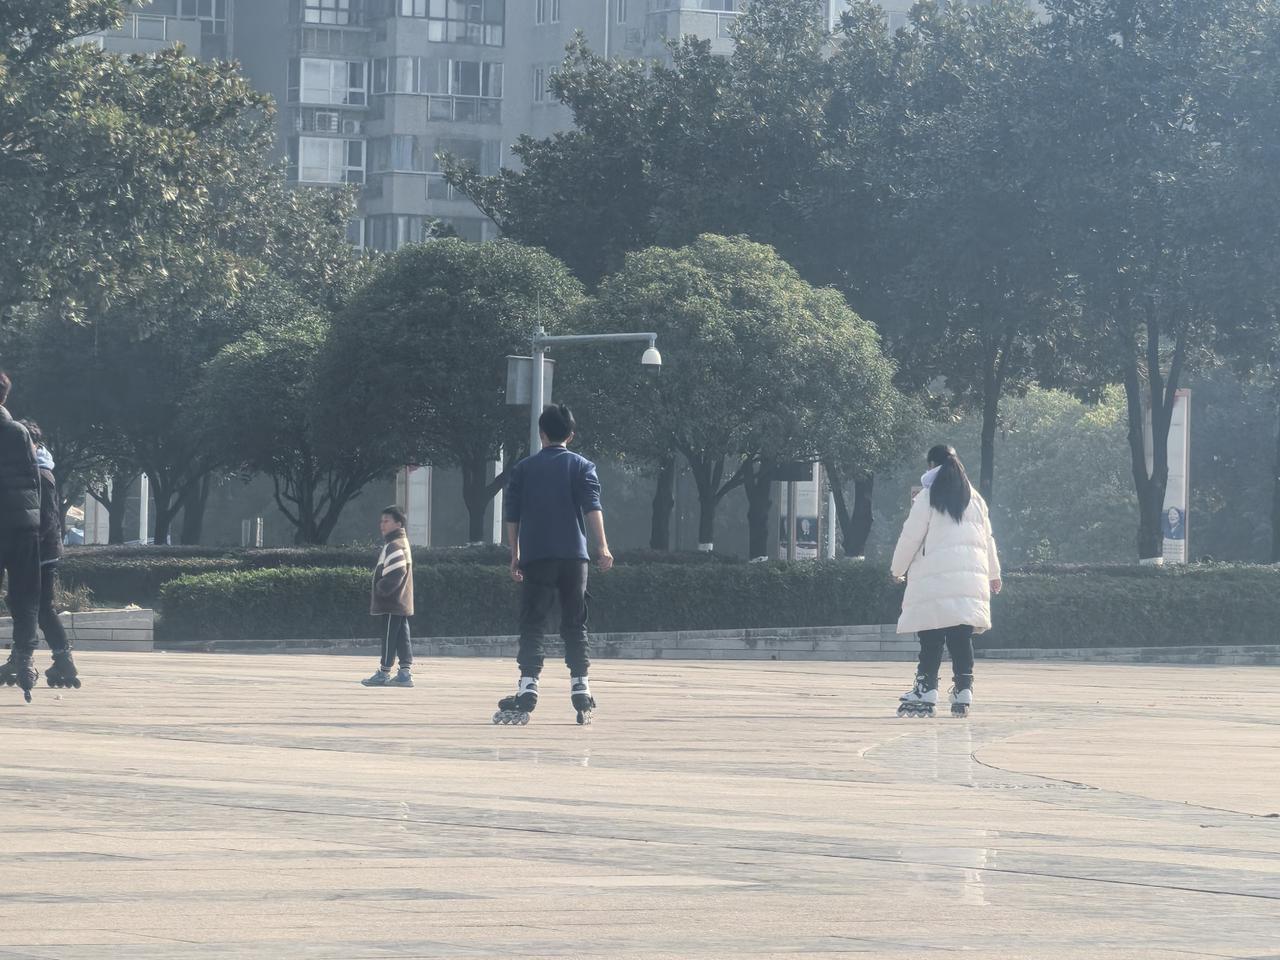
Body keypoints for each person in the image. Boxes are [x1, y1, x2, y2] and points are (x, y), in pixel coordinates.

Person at [496, 404, 612, 725]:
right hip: (575, 558)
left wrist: (515, 553)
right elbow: (592, 507)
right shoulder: (583, 467)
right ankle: (581, 689)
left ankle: (528, 687)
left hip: (537, 557)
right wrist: (602, 546)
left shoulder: (524, 469)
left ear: (541, 433)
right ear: (570, 435)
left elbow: (512, 514)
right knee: (575, 624)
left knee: (533, 623)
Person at [890, 444, 1001, 718]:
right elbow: (988, 540)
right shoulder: (975, 499)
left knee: (931, 635)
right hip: (969, 582)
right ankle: (964, 689)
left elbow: (910, 537)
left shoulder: (927, 497)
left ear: (931, 466)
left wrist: (897, 569)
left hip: (933, 580)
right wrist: (994, 574)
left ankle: (926, 687)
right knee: (961, 637)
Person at [21, 421, 79, 689]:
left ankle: (32, 658)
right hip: (41, 549)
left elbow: (45, 518)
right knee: (37, 606)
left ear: (33, 444)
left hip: (40, 551)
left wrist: (27, 545)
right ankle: (61, 659)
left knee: (38, 607)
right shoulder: (37, 470)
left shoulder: (40, 474)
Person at [0, 373, 43, 702]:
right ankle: (25, 660)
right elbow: (34, 478)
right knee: (25, 594)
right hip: (22, 525)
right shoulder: (19, 432)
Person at [360, 506, 415, 688]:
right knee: (402, 636)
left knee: (390, 636)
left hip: (392, 601)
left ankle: (384, 672)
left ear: (398, 523)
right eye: (381, 521)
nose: (382, 525)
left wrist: (381, 589)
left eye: (386, 521)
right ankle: (404, 674)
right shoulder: (401, 541)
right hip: (401, 601)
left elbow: (397, 572)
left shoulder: (394, 544)